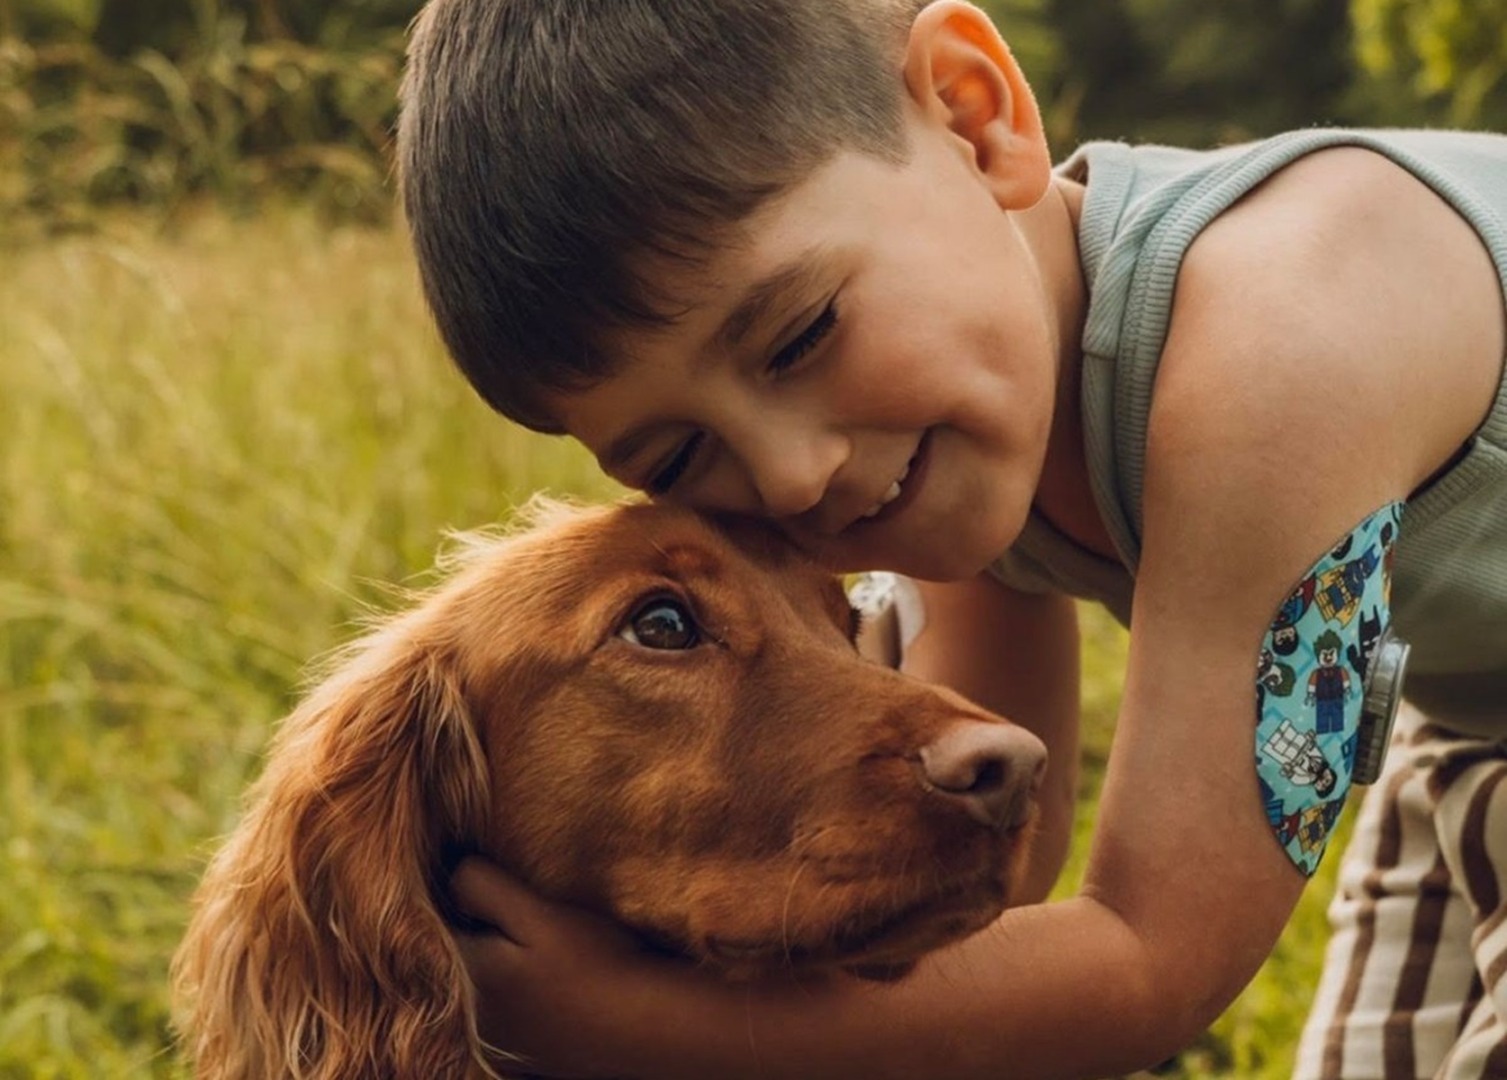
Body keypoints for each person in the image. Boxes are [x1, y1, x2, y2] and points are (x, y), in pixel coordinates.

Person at [395, 0, 1507, 1076]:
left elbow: (1152, 959)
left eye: (801, 335)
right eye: (679, 458)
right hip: (1462, 715)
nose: (789, 476)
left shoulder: (1284, 345)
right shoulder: (962, 429)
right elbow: (998, 861)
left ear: (978, 120)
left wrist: (645, 1028)